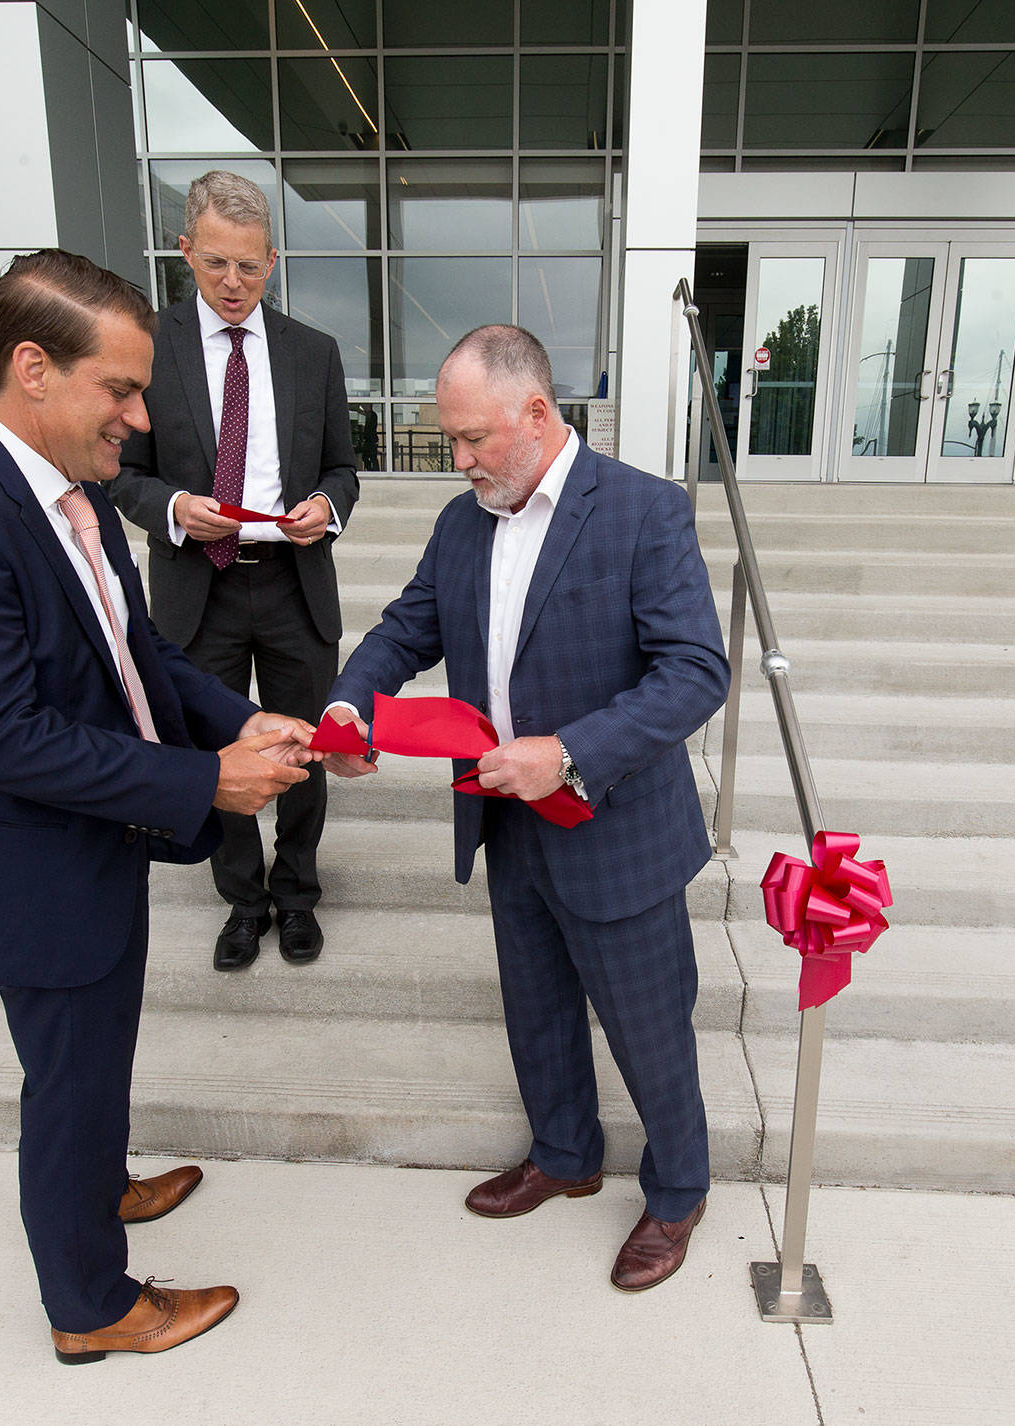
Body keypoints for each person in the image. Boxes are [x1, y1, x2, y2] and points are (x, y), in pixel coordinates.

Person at [0, 249, 318, 1362]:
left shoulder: (73, 495)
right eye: (118, 388)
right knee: (67, 1078)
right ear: (31, 367)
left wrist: (235, 721)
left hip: (98, 836)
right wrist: (205, 782)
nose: (137, 414)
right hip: (33, 860)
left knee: (93, 1057)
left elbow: (139, 652)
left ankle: (96, 1189)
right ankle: (91, 1306)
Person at [323, 326, 730, 1292]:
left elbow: (696, 672)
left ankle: (678, 1194)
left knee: (648, 1026)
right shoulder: (465, 521)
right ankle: (565, 1155)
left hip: (614, 827)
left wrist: (571, 753)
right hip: (506, 819)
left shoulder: (642, 511)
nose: (458, 462)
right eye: (450, 442)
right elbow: (406, 627)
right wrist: (349, 702)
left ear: (537, 414)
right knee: (537, 1007)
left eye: (472, 440)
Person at [110, 170, 361, 973]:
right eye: (216, 263)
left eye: (250, 267)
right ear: (186, 251)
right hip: (197, 587)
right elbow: (120, 472)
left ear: (273, 262)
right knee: (216, 753)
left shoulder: (313, 353)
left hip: (292, 582)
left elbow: (343, 470)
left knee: (303, 747)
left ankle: (296, 895)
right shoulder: (148, 348)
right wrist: (177, 508)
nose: (232, 283)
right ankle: (243, 903)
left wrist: (325, 505)